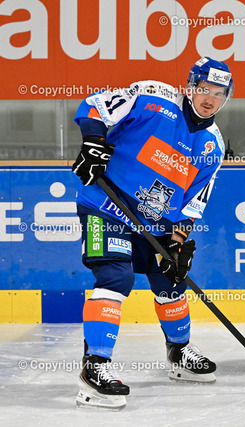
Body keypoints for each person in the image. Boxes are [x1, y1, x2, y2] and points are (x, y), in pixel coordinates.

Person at [71, 57, 233, 409]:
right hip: (106, 206)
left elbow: (193, 203)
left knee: (170, 281)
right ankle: (94, 367)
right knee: (116, 278)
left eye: (219, 93)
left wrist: (177, 243)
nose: (210, 98)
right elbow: (95, 106)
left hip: (156, 223)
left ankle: (179, 352)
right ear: (190, 86)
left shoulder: (213, 146)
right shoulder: (152, 96)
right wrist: (94, 141)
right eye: (204, 89)